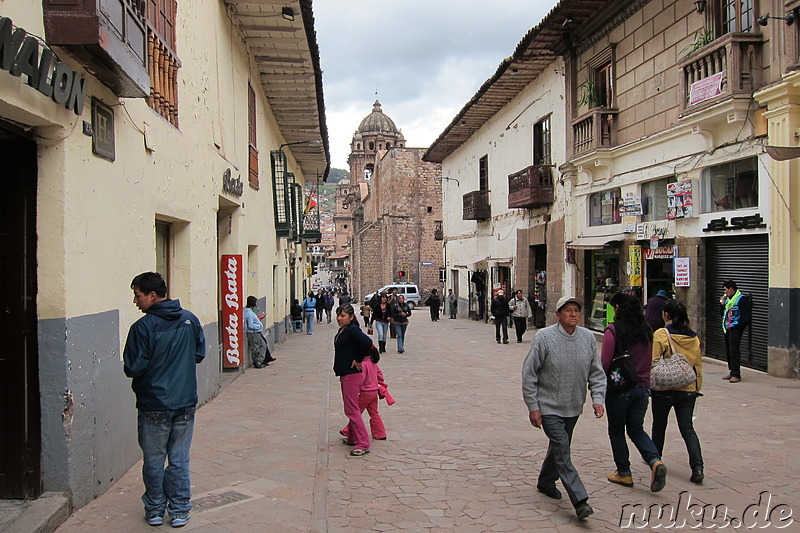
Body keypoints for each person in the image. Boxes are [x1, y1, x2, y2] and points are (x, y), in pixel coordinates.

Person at [123, 272, 206, 528]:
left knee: (154, 459)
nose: (136, 302)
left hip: (154, 405)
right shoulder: (189, 320)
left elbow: (133, 367)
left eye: (138, 296)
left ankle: (156, 509)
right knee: (179, 458)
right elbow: (199, 354)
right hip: (184, 403)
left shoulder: (142, 328)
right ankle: (180, 509)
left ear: (152, 296)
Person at [521, 296, 605, 521]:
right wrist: (533, 406)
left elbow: (596, 373)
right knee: (562, 448)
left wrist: (598, 399)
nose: (573, 314)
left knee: (559, 447)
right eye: (568, 310)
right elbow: (529, 374)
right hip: (548, 406)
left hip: (573, 406)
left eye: (577, 310)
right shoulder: (544, 338)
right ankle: (580, 500)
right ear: (558, 315)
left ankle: (546, 481)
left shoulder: (587, 338)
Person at [601, 293, 667, 493]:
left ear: (618, 308)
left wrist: (596, 385)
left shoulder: (613, 330)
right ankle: (655, 461)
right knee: (636, 429)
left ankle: (624, 472)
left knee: (616, 430)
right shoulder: (647, 330)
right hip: (642, 388)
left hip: (620, 388)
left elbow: (604, 362)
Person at [651, 299, 705, 484]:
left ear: (666, 315)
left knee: (659, 425)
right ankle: (697, 467)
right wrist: (697, 387)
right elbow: (697, 365)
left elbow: (654, 360)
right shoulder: (694, 338)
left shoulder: (661, 334)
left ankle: (655, 461)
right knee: (687, 428)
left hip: (664, 388)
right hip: (687, 389)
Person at [333, 304, 373, 456]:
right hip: (345, 373)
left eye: (342, 316)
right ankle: (353, 436)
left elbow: (367, 343)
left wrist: (358, 359)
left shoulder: (352, 330)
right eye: (338, 315)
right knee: (351, 408)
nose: (339, 318)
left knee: (352, 410)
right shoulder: (343, 330)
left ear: (351, 317)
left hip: (352, 374)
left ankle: (363, 443)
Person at [340, 346, 388, 442]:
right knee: (374, 413)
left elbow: (359, 379)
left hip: (364, 393)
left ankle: (349, 431)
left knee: (355, 413)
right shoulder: (373, 363)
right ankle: (380, 433)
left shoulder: (363, 365)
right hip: (374, 392)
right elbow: (380, 376)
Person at [720, 280, 751, 383]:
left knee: (734, 351)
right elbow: (723, 313)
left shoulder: (741, 299)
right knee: (729, 350)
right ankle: (732, 371)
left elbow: (746, 316)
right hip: (727, 328)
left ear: (731, 289)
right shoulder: (728, 300)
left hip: (735, 328)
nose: (724, 292)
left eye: (725, 289)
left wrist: (738, 326)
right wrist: (722, 304)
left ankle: (736, 374)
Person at [245, 296, 275, 368]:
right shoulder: (249, 313)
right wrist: (258, 326)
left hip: (257, 332)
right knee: (255, 347)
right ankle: (257, 361)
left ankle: (261, 360)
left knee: (263, 345)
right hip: (254, 332)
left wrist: (259, 319)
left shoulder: (251, 312)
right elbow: (250, 325)